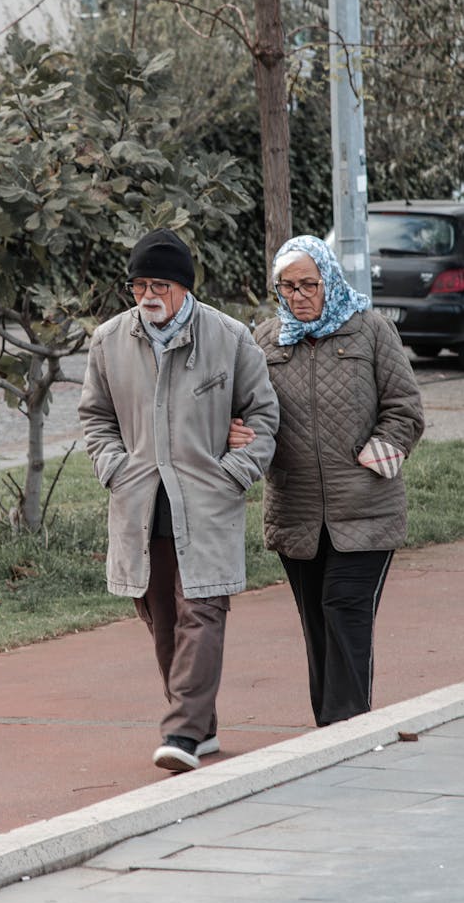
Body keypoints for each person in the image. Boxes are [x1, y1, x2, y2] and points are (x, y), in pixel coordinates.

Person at [78, 228, 279, 772]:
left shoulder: (231, 338)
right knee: (160, 615)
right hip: (141, 503)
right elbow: (95, 417)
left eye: (161, 285)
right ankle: (201, 725)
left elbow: (262, 416)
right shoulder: (108, 340)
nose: (149, 295)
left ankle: (183, 733)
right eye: (140, 284)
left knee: (202, 610)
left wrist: (233, 472)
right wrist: (115, 468)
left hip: (206, 502)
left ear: (185, 289)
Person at [241, 234, 424, 728]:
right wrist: (239, 432)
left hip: (366, 505)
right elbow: (250, 411)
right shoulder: (264, 340)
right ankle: (330, 725)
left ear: (329, 280)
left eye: (308, 284)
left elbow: (405, 410)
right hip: (296, 512)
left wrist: (382, 449)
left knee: (343, 608)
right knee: (316, 623)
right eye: (287, 286)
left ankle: (348, 724)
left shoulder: (370, 331)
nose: (298, 295)